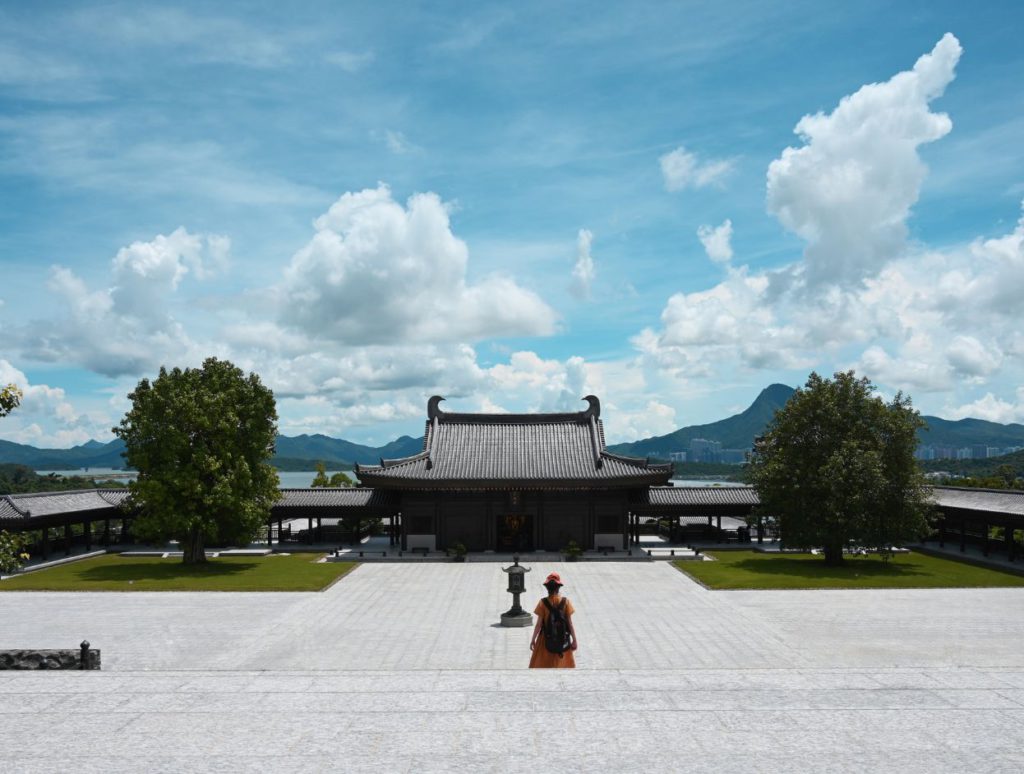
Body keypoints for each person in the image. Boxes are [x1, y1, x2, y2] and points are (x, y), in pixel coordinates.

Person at [529, 571, 578, 668]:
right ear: (559, 587)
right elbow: (570, 624)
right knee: (563, 665)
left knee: (542, 664)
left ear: (547, 588)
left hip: (545, 639)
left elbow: (538, 625)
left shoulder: (542, 603)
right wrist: (574, 640)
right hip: (562, 638)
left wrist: (533, 639)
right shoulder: (566, 602)